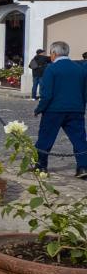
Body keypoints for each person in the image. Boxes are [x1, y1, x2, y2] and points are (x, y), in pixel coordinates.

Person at [33, 41, 87, 179]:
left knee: (46, 138)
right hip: (76, 110)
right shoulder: (79, 68)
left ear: (53, 53)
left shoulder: (51, 69)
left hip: (54, 110)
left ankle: (41, 165)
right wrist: (81, 107)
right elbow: (84, 91)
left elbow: (47, 93)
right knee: (79, 139)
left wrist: (39, 109)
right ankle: (83, 167)